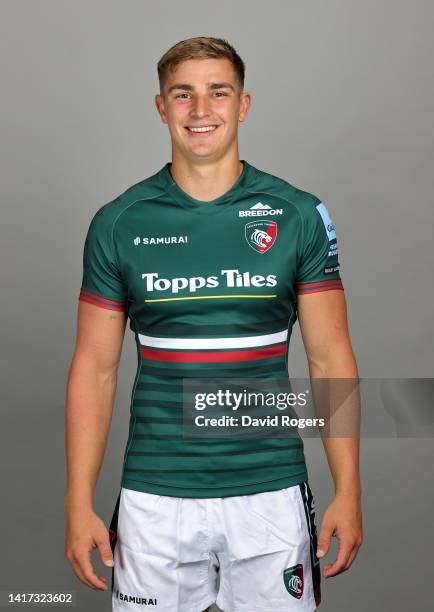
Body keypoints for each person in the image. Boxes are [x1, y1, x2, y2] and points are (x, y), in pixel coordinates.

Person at [65, 36, 362, 612]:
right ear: (161, 106)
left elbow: (330, 359)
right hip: (154, 497)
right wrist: (78, 503)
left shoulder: (297, 214)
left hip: (271, 494)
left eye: (217, 93)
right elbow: (94, 370)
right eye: (183, 95)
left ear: (243, 104)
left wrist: (349, 491)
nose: (201, 111)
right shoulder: (119, 222)